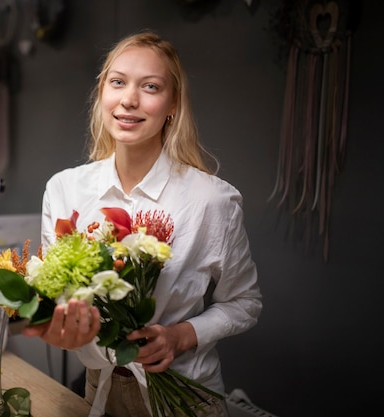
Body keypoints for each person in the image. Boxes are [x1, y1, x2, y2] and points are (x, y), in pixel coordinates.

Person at [22, 31, 263, 417]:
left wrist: (181, 336)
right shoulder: (65, 189)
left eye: (150, 86)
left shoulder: (211, 201)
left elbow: (245, 303)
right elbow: (58, 299)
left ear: (173, 104)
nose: (129, 99)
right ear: (102, 92)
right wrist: (61, 325)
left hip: (186, 398)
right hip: (100, 391)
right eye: (118, 82)